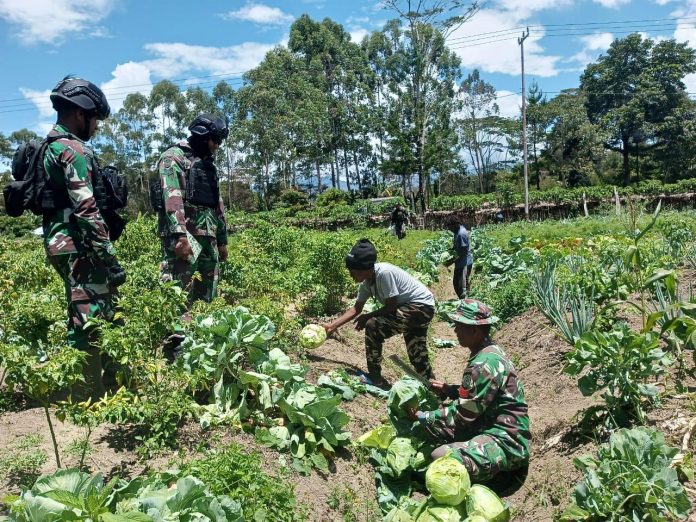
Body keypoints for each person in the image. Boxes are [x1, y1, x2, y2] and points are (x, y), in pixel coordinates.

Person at [44, 76, 126, 400]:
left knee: (85, 310)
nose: (96, 127)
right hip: (78, 243)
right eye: (95, 121)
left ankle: (94, 388)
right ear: (81, 114)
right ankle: (87, 394)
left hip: (63, 242)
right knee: (91, 318)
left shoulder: (52, 146)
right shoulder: (72, 150)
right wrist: (109, 256)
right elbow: (86, 209)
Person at [405, 299, 530, 483]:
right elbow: (481, 395)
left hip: (507, 441)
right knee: (438, 429)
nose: (455, 330)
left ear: (474, 330)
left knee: (439, 456)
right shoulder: (490, 351)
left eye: (459, 326)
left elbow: (464, 414)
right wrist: (451, 390)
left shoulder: (483, 364)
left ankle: (498, 477)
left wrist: (424, 416)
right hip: (489, 423)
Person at [323, 239, 435, 387]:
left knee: (373, 326)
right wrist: (332, 326)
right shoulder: (367, 283)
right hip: (414, 310)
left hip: (421, 307)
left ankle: (375, 377)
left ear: (366, 269)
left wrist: (368, 316)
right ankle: (435, 391)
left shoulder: (384, 273)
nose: (351, 275)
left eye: (353, 271)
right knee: (417, 354)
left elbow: (391, 305)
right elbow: (356, 309)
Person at [155, 113, 229, 305]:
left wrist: (222, 240)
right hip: (186, 236)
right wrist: (180, 236)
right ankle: (178, 333)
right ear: (202, 136)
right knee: (178, 287)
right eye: (215, 140)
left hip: (208, 235)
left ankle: (203, 329)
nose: (217, 146)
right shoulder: (173, 158)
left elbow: (217, 203)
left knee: (208, 292)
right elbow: (172, 198)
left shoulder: (207, 164)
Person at [444, 215, 473, 298]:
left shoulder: (461, 234)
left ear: (455, 224)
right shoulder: (457, 231)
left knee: (462, 286)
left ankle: (466, 303)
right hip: (460, 262)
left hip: (464, 263)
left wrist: (451, 261)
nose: (449, 229)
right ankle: (464, 301)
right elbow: (458, 247)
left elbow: (463, 252)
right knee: (457, 283)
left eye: (450, 227)